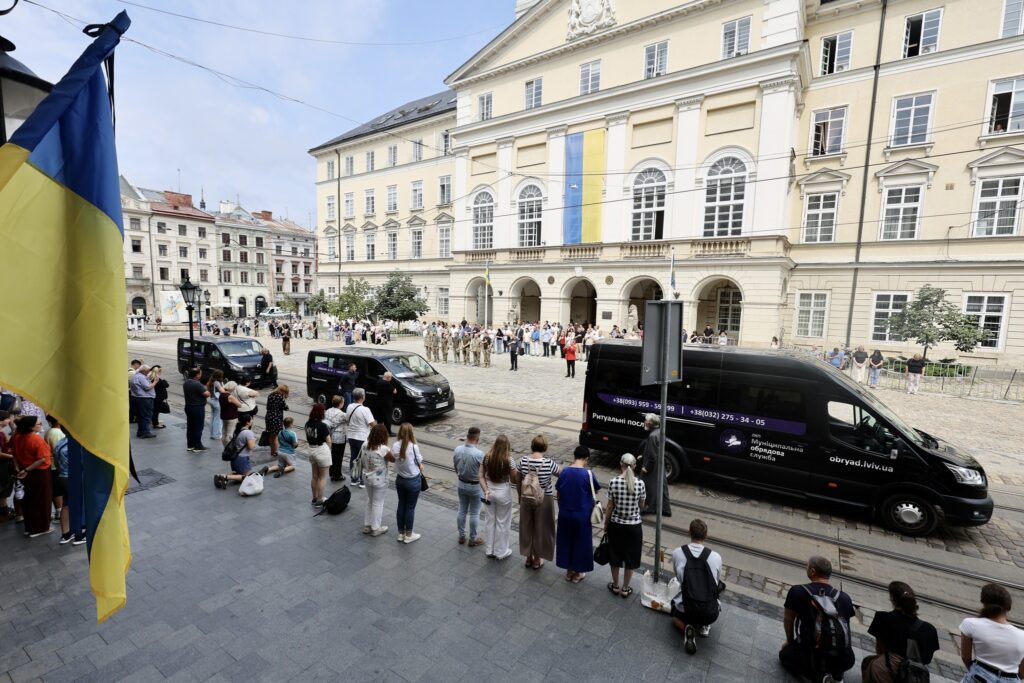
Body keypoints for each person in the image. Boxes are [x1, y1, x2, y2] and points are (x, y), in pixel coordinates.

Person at [779, 556, 856, 683]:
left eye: (807, 566)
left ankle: (818, 677)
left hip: (811, 655)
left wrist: (789, 641)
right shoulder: (844, 598)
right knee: (831, 663)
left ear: (812, 572)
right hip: (845, 659)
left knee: (784, 656)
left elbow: (788, 620)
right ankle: (834, 674)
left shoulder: (797, 591)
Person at [862, 582, 940, 682]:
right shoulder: (930, 630)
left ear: (892, 599)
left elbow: (880, 649)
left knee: (868, 663)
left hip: (887, 669)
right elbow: (927, 659)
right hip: (914, 675)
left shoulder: (883, 618)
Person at [671, 519, 723, 655]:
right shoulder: (716, 557)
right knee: (710, 601)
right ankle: (704, 627)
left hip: (687, 610)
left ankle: (687, 627)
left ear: (689, 532)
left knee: (675, 617)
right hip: (710, 613)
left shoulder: (677, 553)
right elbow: (716, 583)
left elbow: (679, 578)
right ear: (706, 536)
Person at [959, 583, 1024, 682]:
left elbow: (965, 658)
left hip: (979, 675)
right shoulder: (1022, 636)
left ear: (983, 602)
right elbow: (1022, 673)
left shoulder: (970, 624)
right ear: (1008, 607)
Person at [555, 446, 600, 584]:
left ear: (574, 456)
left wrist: (562, 508)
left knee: (566, 541)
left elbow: (558, 493)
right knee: (581, 543)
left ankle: (568, 572)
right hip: (582, 515)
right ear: (586, 459)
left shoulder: (564, 472)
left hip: (565, 513)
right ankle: (578, 573)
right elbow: (595, 491)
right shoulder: (589, 474)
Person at [603, 453, 645, 598]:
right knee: (631, 558)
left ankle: (615, 585)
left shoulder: (613, 482)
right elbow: (641, 505)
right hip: (634, 527)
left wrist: (606, 524)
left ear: (620, 465)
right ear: (635, 466)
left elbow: (609, 506)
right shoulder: (640, 483)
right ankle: (626, 588)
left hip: (616, 525)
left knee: (615, 556)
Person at [517, 435, 560, 570]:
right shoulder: (548, 463)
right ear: (545, 448)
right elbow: (561, 473)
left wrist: (520, 496)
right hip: (544, 499)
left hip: (526, 497)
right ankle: (537, 559)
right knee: (542, 528)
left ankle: (528, 557)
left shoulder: (523, 461)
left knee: (527, 527)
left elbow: (518, 479)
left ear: (532, 446)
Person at [11, 416, 53, 536]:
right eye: (39, 424)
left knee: (28, 500)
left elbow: (14, 454)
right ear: (31, 427)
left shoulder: (17, 437)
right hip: (39, 472)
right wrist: (27, 469)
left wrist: (19, 468)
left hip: (25, 472)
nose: (41, 425)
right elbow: (42, 459)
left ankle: (29, 527)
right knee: (41, 500)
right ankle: (40, 528)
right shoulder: (36, 439)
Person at [479, 434, 518, 560]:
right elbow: (513, 480)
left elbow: (480, 476)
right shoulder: (509, 460)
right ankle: (501, 551)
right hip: (503, 492)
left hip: (489, 491)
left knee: (490, 520)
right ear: (507, 447)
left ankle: (489, 549)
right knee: (503, 522)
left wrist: (486, 490)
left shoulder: (487, 457)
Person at [213, 414, 269, 489]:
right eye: (251, 420)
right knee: (248, 477)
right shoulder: (248, 433)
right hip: (242, 459)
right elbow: (251, 447)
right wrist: (254, 440)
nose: (252, 421)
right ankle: (224, 477)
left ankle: (223, 477)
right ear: (247, 422)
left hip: (235, 458)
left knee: (239, 474)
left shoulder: (237, 430)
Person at [392, 422, 425, 543]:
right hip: (413, 481)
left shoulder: (395, 445)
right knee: (410, 507)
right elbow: (419, 462)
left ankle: (401, 533)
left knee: (401, 505)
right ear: (411, 433)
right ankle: (409, 534)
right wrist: (421, 466)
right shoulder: (413, 446)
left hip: (400, 480)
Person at [452, 427, 485, 546]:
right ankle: (473, 539)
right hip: (475, 486)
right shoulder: (479, 454)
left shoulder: (458, 449)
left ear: (467, 436)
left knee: (462, 510)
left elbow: (455, 466)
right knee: (475, 513)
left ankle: (461, 536)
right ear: (477, 438)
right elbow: (483, 473)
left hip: (461, 483)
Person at [360, 423, 394, 536]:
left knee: (370, 500)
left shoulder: (364, 444)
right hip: (380, 480)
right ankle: (375, 528)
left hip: (366, 477)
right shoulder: (383, 449)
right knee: (378, 503)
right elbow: (393, 459)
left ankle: (367, 525)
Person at [639, 413, 671, 517]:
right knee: (662, 486)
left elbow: (652, 455)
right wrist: (643, 456)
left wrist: (646, 468)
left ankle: (647, 507)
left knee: (647, 486)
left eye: (646, 421)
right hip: (660, 463)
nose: (644, 422)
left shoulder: (652, 436)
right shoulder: (660, 431)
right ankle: (665, 509)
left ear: (650, 423)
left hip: (652, 466)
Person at [345, 388, 376, 487]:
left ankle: (354, 479)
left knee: (353, 458)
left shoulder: (349, 406)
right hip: (362, 438)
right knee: (363, 459)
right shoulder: (365, 410)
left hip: (351, 437)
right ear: (363, 397)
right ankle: (362, 481)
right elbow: (372, 424)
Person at [304, 403, 332, 506]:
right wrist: (328, 450)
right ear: (321, 413)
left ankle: (314, 497)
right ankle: (320, 499)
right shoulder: (322, 425)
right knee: (322, 477)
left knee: (314, 476)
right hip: (321, 450)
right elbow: (328, 440)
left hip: (311, 450)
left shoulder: (307, 423)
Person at [183, 367, 210, 453]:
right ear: (197, 375)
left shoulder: (186, 382)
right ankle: (198, 446)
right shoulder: (197, 384)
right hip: (197, 408)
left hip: (188, 407)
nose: (201, 375)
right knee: (198, 427)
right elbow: (207, 394)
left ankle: (190, 445)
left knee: (190, 427)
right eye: (200, 373)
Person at [130, 364, 158, 439]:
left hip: (137, 398)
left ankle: (140, 432)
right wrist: (155, 382)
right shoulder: (141, 377)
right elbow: (147, 387)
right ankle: (146, 432)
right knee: (146, 416)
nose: (149, 371)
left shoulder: (136, 376)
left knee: (140, 416)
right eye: (148, 370)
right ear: (144, 371)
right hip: (144, 399)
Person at [324, 395, 348, 482]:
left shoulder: (328, 411)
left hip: (330, 437)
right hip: (340, 438)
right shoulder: (342, 414)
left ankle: (332, 474)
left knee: (333, 456)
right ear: (340, 404)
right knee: (339, 457)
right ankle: (338, 475)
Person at [265, 385, 289, 460]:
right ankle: (275, 451)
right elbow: (285, 408)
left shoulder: (270, 395)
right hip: (277, 418)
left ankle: (272, 451)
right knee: (275, 436)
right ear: (283, 391)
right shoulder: (280, 397)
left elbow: (267, 407)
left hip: (269, 417)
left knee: (271, 435)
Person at [373, 371, 398, 436]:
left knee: (380, 418)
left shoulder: (379, 382)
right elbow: (394, 391)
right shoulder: (387, 384)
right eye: (391, 377)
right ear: (388, 377)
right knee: (387, 418)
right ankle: (389, 432)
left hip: (379, 402)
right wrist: (394, 389)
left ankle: (379, 431)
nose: (391, 379)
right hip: (387, 403)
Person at [219, 381, 241, 449]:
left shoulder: (221, 395)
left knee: (225, 433)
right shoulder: (230, 396)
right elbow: (239, 405)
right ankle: (229, 448)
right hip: (231, 416)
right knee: (230, 434)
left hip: (224, 416)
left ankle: (225, 447)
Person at [206, 370, 226, 441]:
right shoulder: (217, 382)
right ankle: (217, 435)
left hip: (212, 400)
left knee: (213, 417)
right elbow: (222, 391)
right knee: (218, 418)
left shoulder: (210, 382)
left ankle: (212, 433)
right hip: (217, 401)